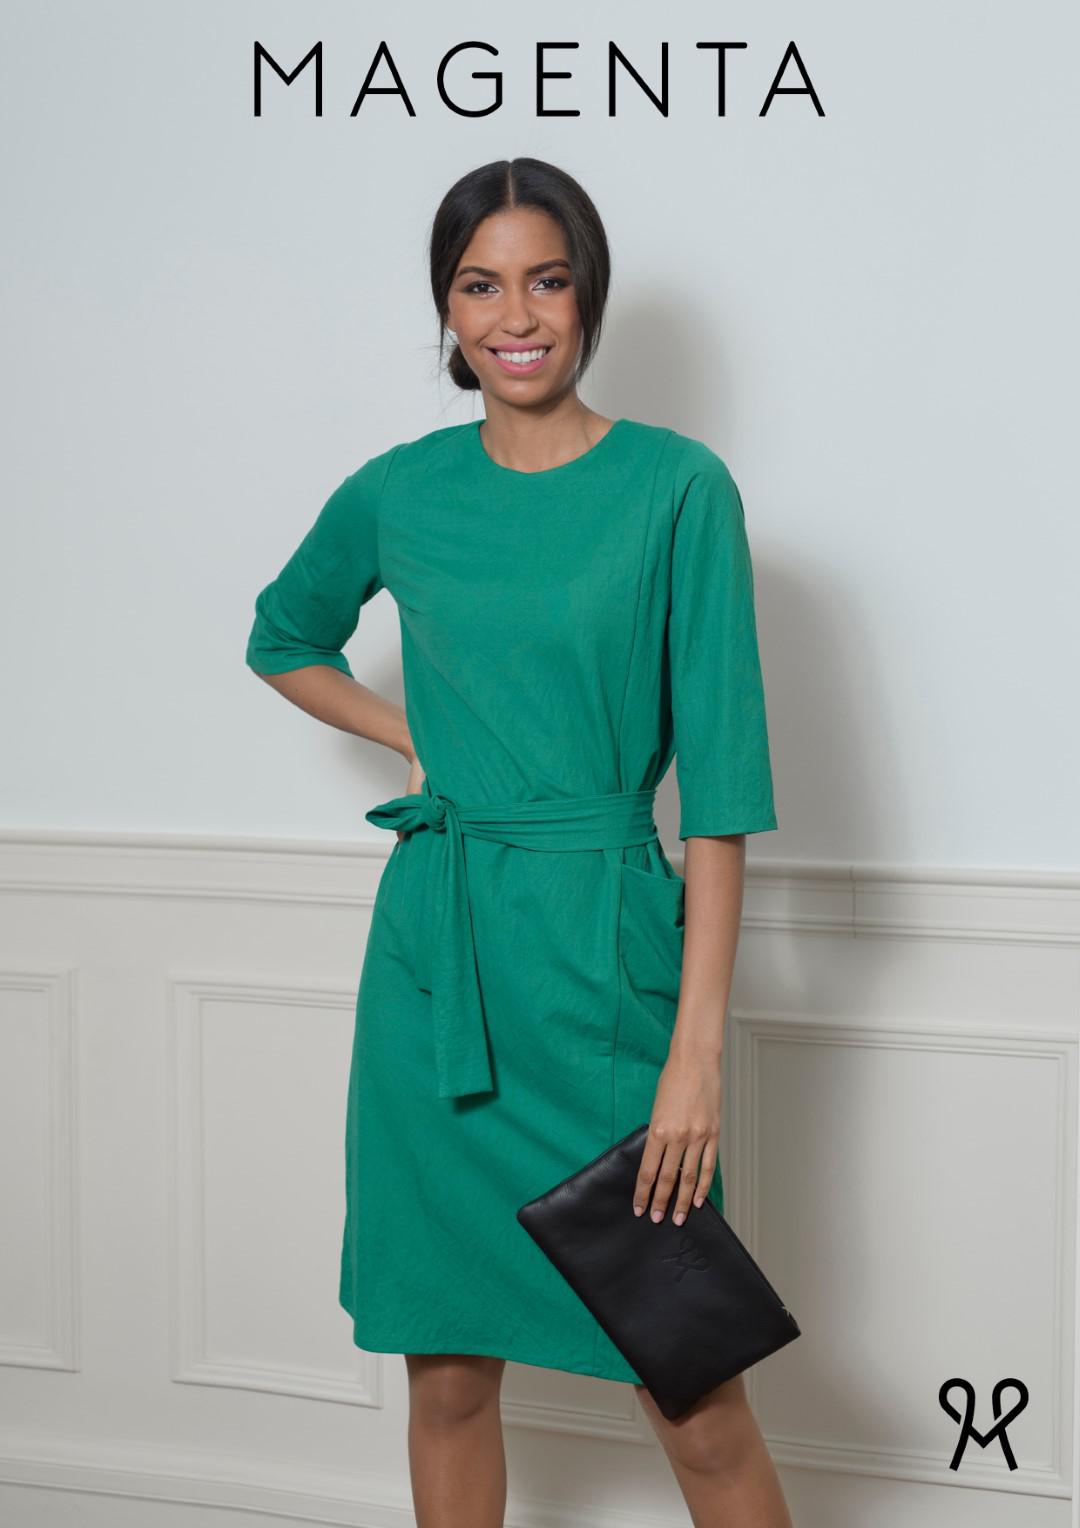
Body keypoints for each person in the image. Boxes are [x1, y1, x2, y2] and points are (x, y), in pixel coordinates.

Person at [245, 156, 792, 1527]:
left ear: (587, 292)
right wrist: (411, 735)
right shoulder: (402, 491)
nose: (515, 316)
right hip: (436, 975)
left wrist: (696, 1057)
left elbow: (722, 795)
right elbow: (282, 635)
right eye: (479, 286)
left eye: (545, 280)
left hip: (603, 973)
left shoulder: (678, 489)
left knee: (693, 1389)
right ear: (446, 308)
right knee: (444, 1378)